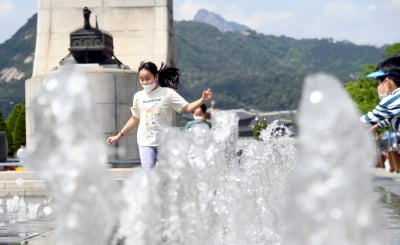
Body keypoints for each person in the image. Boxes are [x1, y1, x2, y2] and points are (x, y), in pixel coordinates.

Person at [106, 61, 214, 169]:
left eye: (147, 79)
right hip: (145, 141)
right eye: (141, 79)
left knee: (166, 175)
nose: (144, 82)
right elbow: (134, 118)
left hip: (164, 141)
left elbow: (188, 107)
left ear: (156, 76)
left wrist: (203, 99)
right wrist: (118, 136)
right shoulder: (138, 96)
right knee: (148, 172)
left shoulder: (168, 93)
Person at [360, 55, 400, 132]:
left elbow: (362, 123)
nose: (378, 87)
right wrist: (377, 126)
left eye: (379, 83)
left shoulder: (391, 101)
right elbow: (389, 118)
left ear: (387, 82)